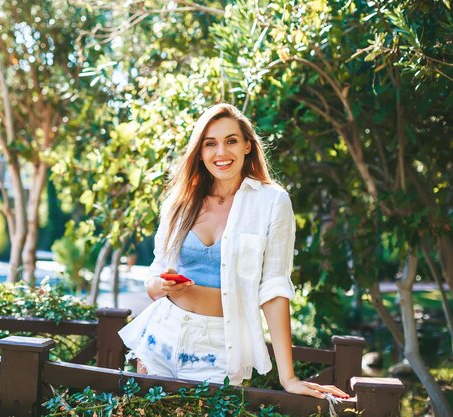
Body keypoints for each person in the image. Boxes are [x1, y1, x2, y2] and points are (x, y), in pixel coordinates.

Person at [118, 103, 348, 399]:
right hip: (161, 335)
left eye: (231, 141)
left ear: (248, 146)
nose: (221, 153)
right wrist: (159, 284)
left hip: (219, 346)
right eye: (210, 143)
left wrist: (288, 377)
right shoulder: (179, 202)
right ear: (199, 152)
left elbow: (274, 288)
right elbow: (154, 274)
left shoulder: (271, 201)